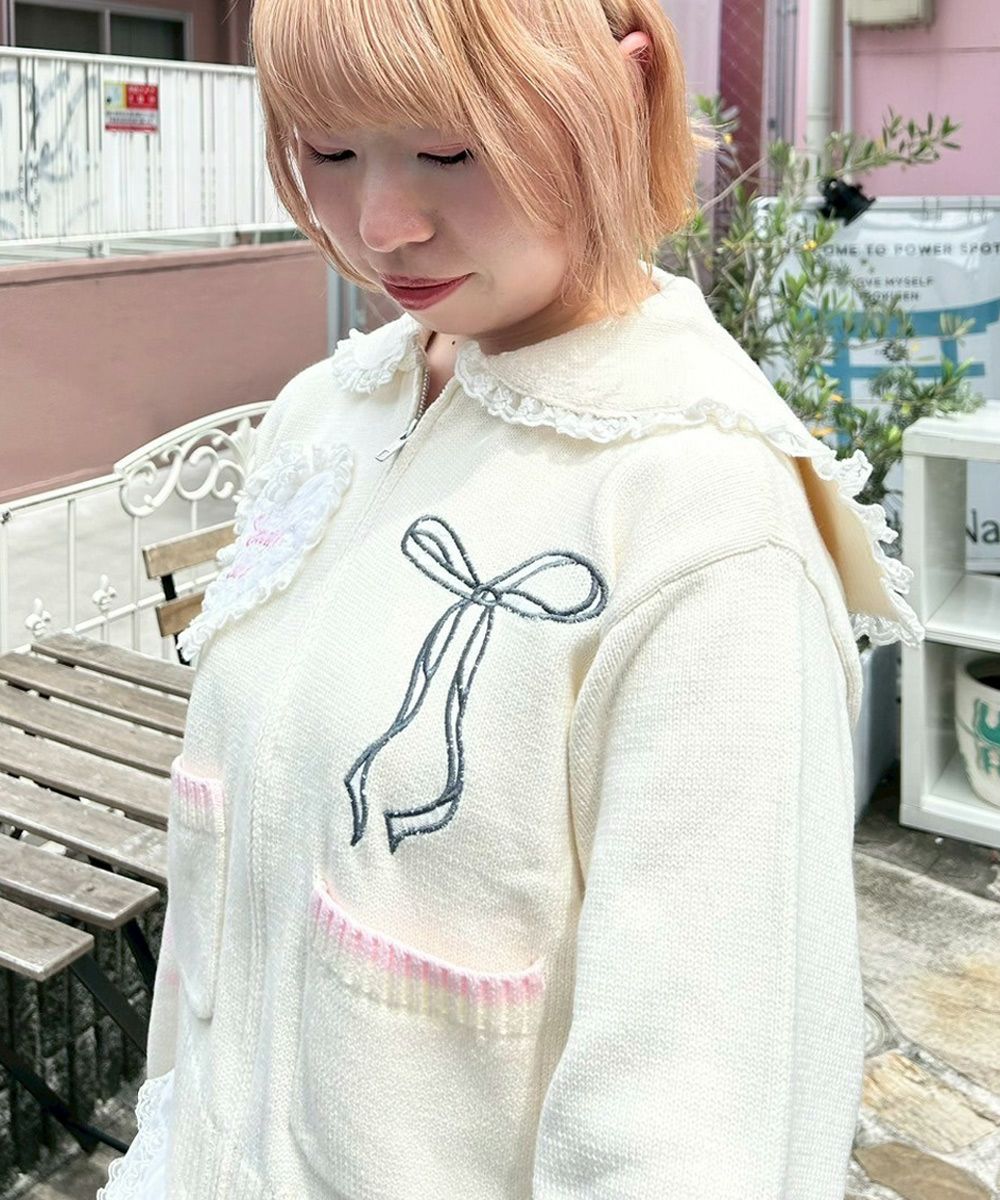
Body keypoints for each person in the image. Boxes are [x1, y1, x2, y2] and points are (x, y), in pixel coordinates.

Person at [97, 0, 925, 1196]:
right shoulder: (328, 414)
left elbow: (691, 1132)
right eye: (329, 148)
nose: (380, 223)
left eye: (449, 149)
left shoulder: (699, 518)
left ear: (620, 93)